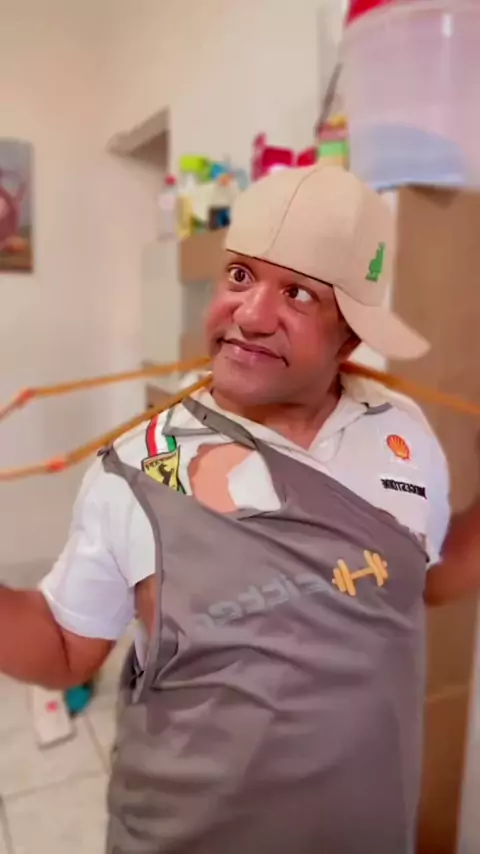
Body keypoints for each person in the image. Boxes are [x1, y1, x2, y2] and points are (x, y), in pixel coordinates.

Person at [1, 164, 479, 853]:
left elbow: (425, 577)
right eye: (240, 275)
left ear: (350, 337)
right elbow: (64, 647)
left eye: (299, 293)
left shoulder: (399, 429)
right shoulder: (140, 464)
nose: (250, 315)